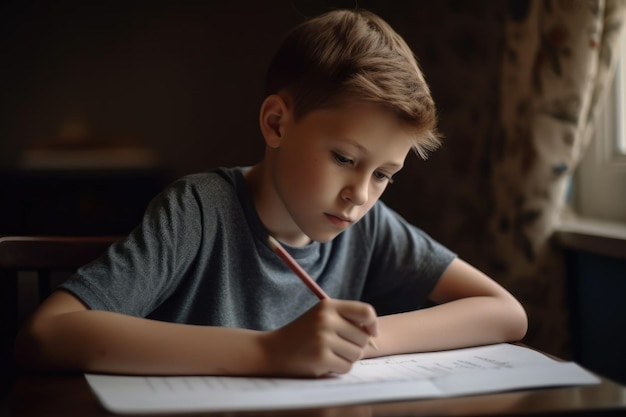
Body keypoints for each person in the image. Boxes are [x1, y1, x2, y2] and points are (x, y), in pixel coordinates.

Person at [15, 9, 527, 378]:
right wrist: (270, 352)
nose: (359, 195)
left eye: (383, 174)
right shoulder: (198, 210)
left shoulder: (369, 224)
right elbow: (46, 334)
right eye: (345, 159)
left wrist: (362, 344)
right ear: (277, 123)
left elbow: (506, 313)